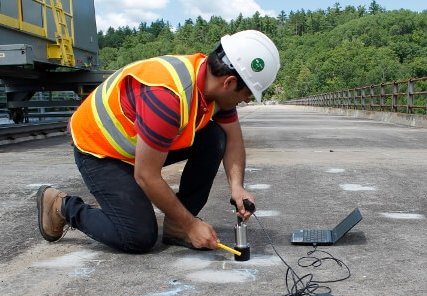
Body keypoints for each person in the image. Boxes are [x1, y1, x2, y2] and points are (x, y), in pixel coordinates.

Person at [36, 30, 280, 253]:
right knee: (137, 236)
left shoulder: (213, 88)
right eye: (247, 94)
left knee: (216, 136)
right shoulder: (167, 97)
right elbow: (146, 176)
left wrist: (237, 187)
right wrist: (192, 224)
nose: (246, 101)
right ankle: (61, 206)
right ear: (229, 82)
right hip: (101, 150)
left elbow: (233, 140)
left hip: (140, 146)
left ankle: (176, 227)